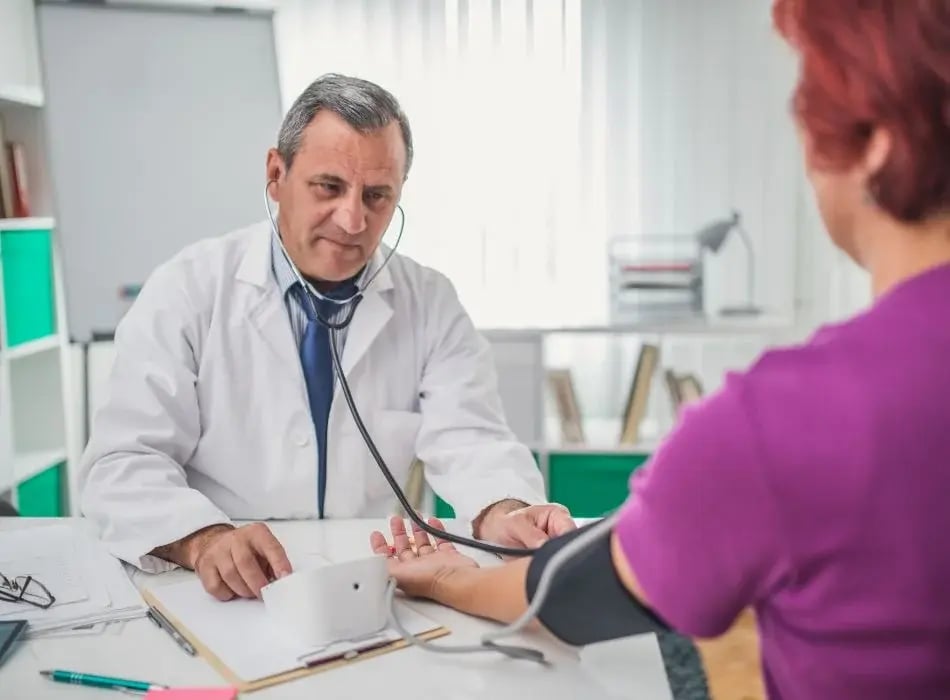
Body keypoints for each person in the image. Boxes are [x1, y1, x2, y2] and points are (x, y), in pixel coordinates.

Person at [371, 2, 950, 698]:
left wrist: (443, 576)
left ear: (879, 140)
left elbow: (570, 597)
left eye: (811, 102)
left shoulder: (787, 419)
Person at [80, 74, 574, 601]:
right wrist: (203, 539)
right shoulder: (187, 288)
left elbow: (470, 438)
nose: (353, 218)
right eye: (329, 187)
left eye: (378, 195)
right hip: (220, 584)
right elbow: (123, 462)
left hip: (366, 576)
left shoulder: (429, 300)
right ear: (276, 174)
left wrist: (503, 510)